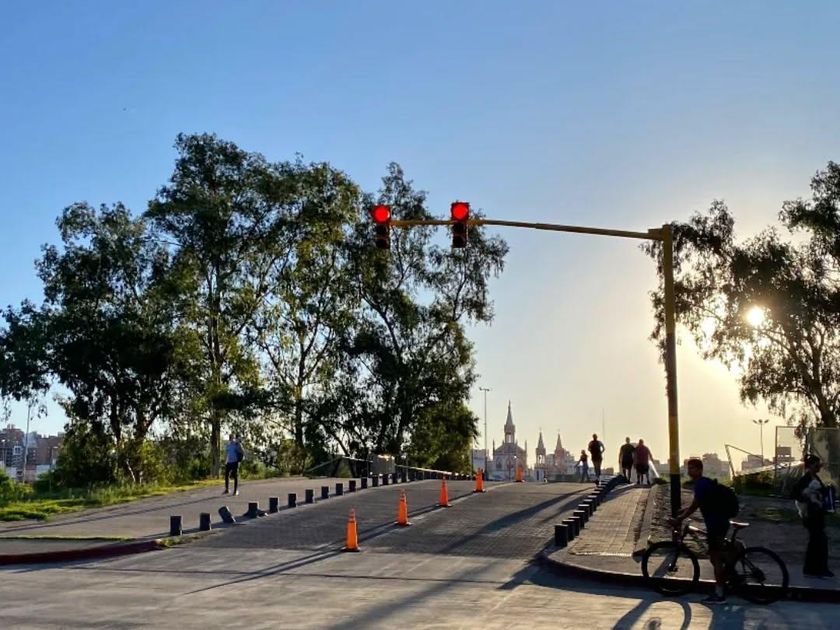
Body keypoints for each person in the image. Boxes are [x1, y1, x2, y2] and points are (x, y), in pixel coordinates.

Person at [672, 457, 731, 604]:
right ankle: (731, 569)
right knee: (714, 556)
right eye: (688, 468)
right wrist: (684, 511)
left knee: (716, 558)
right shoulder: (704, 483)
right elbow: (697, 504)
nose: (689, 471)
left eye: (692, 468)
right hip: (719, 521)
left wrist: (680, 518)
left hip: (715, 523)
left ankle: (719, 594)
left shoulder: (701, 485)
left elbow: (695, 506)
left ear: (699, 469)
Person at [792, 454, 834, 578]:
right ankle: (818, 569)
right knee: (819, 542)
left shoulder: (814, 477)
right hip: (811, 515)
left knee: (816, 542)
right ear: (810, 466)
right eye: (817, 465)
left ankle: (813, 569)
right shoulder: (805, 479)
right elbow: (795, 493)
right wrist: (808, 498)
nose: (819, 467)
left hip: (816, 514)